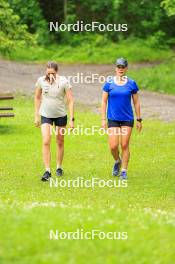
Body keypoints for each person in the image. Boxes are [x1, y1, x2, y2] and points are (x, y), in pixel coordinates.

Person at [101, 58, 142, 180]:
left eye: (123, 67)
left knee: (124, 144)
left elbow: (136, 102)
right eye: (118, 67)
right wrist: (103, 119)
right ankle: (117, 161)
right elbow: (103, 101)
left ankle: (124, 171)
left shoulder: (132, 83)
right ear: (115, 68)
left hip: (127, 119)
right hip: (113, 119)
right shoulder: (109, 83)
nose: (120, 69)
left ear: (126, 68)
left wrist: (139, 119)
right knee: (113, 146)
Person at [34, 61, 74, 181]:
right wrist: (36, 116)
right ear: (46, 71)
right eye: (48, 72)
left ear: (57, 72)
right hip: (45, 115)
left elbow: (71, 100)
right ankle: (47, 171)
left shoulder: (64, 82)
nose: (50, 75)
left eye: (53, 73)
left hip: (61, 115)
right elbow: (37, 97)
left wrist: (72, 120)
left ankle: (59, 167)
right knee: (46, 140)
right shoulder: (41, 81)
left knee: (60, 141)